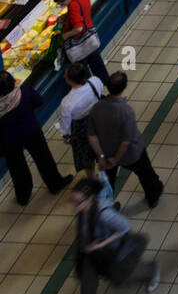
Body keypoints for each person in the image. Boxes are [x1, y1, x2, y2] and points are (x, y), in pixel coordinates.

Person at [70, 176, 160, 294]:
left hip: (110, 252)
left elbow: (125, 226)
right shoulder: (83, 212)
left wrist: (100, 244)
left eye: (77, 202)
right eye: (73, 201)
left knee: (123, 277)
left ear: (89, 198)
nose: (74, 206)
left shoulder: (104, 213)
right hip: (92, 254)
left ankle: (151, 270)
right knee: (87, 287)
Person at [87, 72, 164, 208]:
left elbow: (92, 136)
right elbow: (126, 141)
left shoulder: (96, 108)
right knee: (146, 174)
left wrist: (101, 156)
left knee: (108, 182)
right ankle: (153, 196)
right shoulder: (126, 111)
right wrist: (116, 159)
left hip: (107, 153)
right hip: (132, 154)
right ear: (125, 87)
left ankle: (107, 206)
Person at [0, 72, 72, 206]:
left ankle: (23, 196)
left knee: (17, 168)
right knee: (43, 158)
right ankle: (55, 183)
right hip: (31, 131)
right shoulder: (24, 92)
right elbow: (39, 101)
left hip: (9, 141)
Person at [53, 0, 110, 82]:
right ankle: (109, 87)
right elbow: (81, 10)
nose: (62, 6)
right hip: (90, 35)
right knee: (98, 67)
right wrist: (67, 15)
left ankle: (93, 92)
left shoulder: (72, 5)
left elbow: (79, 28)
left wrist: (65, 35)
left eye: (62, 4)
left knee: (83, 73)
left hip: (81, 41)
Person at [59, 62, 104, 173]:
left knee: (87, 158)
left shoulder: (67, 102)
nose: (64, 76)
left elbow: (66, 122)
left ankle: (92, 181)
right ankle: (105, 169)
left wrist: (64, 135)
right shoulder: (95, 81)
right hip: (99, 119)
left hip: (81, 130)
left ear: (70, 80)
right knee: (102, 146)